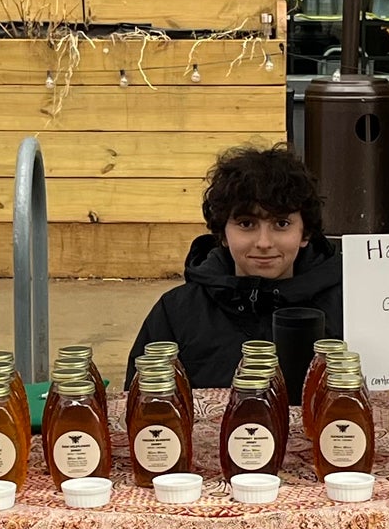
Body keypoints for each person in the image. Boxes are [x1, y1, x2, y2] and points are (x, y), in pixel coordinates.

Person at [126, 143, 341, 389]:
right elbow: (140, 404)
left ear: (305, 233)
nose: (264, 242)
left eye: (281, 224)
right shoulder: (176, 312)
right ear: (223, 234)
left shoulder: (345, 308)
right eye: (247, 224)